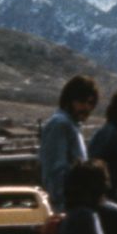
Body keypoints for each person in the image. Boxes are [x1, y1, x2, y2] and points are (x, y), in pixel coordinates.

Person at [40, 75, 99, 212]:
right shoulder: (60, 124)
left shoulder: (73, 126)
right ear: (69, 100)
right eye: (81, 101)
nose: (86, 107)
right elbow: (55, 172)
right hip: (68, 207)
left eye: (90, 103)